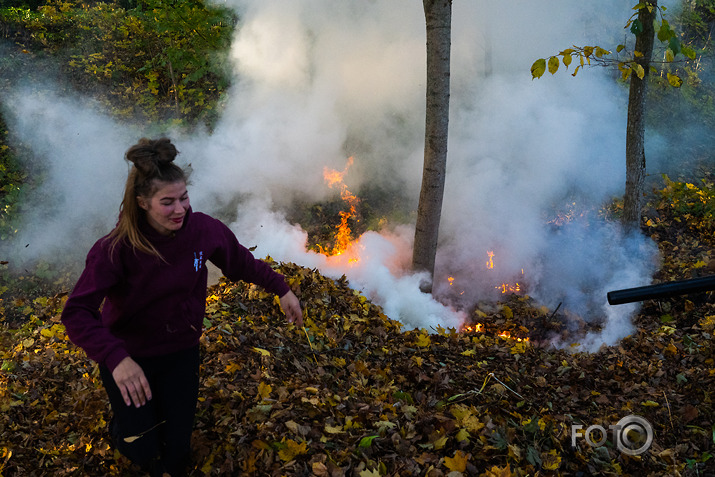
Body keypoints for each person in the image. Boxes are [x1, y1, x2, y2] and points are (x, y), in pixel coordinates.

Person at [61, 137, 303, 476]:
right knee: (141, 447)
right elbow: (76, 312)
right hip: (131, 359)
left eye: (184, 198)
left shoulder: (203, 230)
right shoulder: (115, 250)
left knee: (176, 451)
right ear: (142, 202)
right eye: (167, 202)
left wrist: (282, 288)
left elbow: (240, 262)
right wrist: (116, 359)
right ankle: (122, 428)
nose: (180, 209)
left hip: (180, 352)